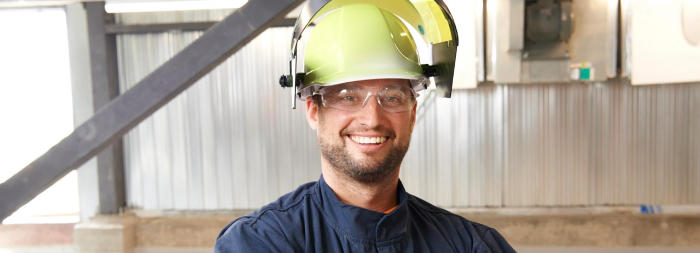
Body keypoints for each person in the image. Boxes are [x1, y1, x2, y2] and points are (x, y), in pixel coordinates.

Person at [215, 2, 514, 252]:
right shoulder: (260, 244)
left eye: (392, 97)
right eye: (348, 96)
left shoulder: (471, 247)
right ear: (313, 110)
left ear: (412, 113)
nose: (372, 118)